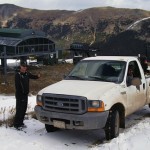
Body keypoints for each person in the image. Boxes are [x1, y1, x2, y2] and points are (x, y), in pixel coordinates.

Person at [13, 61, 40, 130]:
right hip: (20, 95)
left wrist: (37, 76)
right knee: (19, 109)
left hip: (25, 95)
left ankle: (21, 123)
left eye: (25, 67)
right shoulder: (18, 75)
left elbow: (32, 76)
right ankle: (16, 124)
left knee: (23, 109)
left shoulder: (27, 73)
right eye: (23, 67)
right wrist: (21, 93)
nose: (24, 68)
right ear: (20, 67)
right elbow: (18, 86)